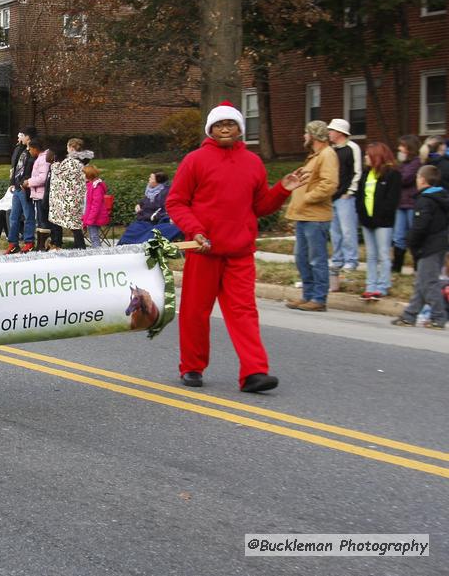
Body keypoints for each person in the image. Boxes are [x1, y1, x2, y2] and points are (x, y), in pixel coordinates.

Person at [166, 100, 307, 393]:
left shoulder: (253, 162)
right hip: (204, 250)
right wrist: (196, 230)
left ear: (240, 129)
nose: (225, 128)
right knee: (194, 311)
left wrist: (282, 189)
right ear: (211, 129)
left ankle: (254, 372)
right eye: (219, 125)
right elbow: (176, 202)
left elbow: (260, 207)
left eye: (230, 124)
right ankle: (192, 367)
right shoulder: (194, 160)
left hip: (240, 253)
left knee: (244, 312)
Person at [284, 120, 339, 312]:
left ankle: (319, 298)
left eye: (306, 133)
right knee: (302, 258)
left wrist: (307, 197)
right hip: (304, 216)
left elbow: (329, 184)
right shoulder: (314, 156)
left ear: (314, 136)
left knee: (317, 258)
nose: (304, 137)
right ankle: (307, 295)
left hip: (316, 217)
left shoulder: (327, 155)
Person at [391, 165, 448, 330]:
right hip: (439, 244)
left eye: (417, 177)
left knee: (429, 283)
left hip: (428, 246)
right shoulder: (440, 197)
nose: (416, 180)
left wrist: (412, 242)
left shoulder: (425, 200)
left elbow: (420, 227)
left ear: (422, 180)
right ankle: (410, 315)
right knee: (421, 282)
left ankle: (438, 317)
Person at [355, 142, 401, 300]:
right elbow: (360, 196)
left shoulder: (392, 174)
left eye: (368, 155)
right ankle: (371, 285)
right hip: (367, 221)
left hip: (383, 223)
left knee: (383, 254)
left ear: (377, 156)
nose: (365, 157)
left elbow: (391, 200)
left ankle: (383, 285)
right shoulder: (366, 173)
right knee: (371, 255)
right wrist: (362, 215)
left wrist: (379, 217)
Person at [327, 118, 362, 273]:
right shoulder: (332, 150)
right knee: (335, 231)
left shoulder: (352, 148)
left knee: (348, 230)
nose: (329, 133)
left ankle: (351, 260)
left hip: (345, 197)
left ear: (340, 132)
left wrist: (349, 192)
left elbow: (357, 171)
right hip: (332, 196)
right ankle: (337, 259)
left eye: (331, 130)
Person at [48, 138, 92, 249]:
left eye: (68, 147)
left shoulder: (70, 162)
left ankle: (80, 247)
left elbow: (58, 171)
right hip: (77, 196)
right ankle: (79, 246)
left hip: (68, 198)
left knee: (74, 225)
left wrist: (54, 164)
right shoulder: (81, 162)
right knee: (75, 223)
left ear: (71, 148)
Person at [118, 171, 182, 245]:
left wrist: (152, 216)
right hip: (144, 219)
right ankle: (124, 248)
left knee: (145, 234)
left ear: (158, 181)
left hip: (155, 220)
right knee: (132, 230)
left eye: (151, 178)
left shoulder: (165, 192)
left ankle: (137, 248)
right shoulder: (150, 190)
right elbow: (144, 201)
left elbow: (164, 210)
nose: (149, 179)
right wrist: (138, 205)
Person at [392, 135, 422, 273]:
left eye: (402, 146)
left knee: (414, 236)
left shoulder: (416, 163)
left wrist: (395, 173)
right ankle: (397, 267)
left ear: (410, 148)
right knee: (398, 236)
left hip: (412, 204)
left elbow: (404, 179)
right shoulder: (402, 164)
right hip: (400, 204)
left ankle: (418, 266)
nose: (399, 149)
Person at [6, 128, 37, 253]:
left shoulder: (33, 151)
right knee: (13, 217)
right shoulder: (22, 150)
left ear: (28, 137)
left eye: (22, 136)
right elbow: (15, 165)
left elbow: (31, 169)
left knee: (28, 215)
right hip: (17, 187)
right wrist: (12, 182)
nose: (20, 138)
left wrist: (26, 182)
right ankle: (13, 243)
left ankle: (29, 241)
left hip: (25, 188)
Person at [26, 139, 51, 250]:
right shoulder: (39, 159)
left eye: (30, 148)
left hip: (42, 195)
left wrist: (29, 182)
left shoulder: (43, 160)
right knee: (40, 220)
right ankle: (40, 245)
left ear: (35, 149)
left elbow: (43, 178)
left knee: (43, 220)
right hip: (37, 194)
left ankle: (43, 246)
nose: (28, 150)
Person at [82, 165, 108, 248]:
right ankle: (96, 250)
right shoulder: (89, 185)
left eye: (83, 174)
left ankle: (97, 252)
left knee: (94, 236)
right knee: (92, 236)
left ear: (89, 175)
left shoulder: (96, 187)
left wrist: (90, 219)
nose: (81, 175)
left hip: (95, 216)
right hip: (90, 215)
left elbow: (96, 205)